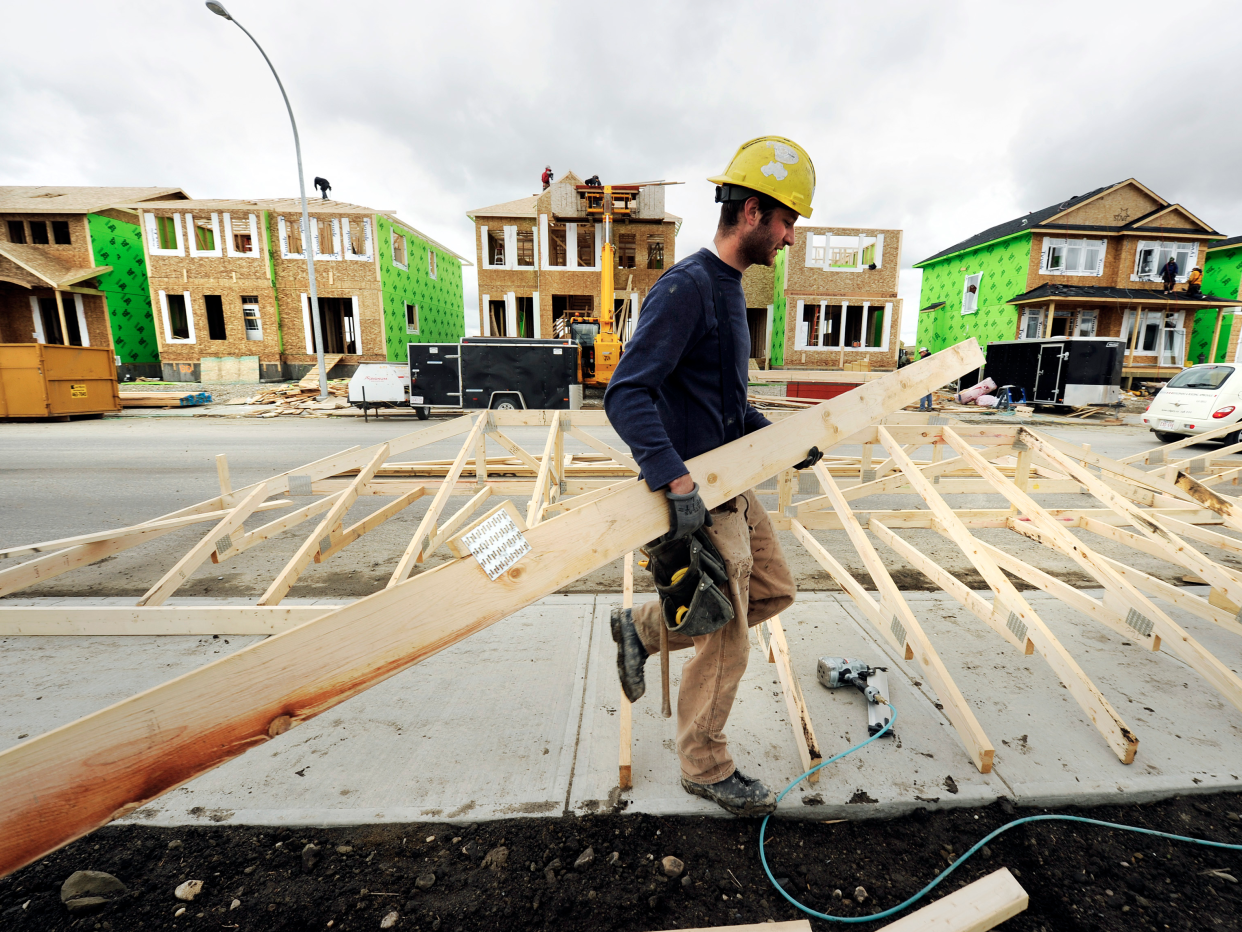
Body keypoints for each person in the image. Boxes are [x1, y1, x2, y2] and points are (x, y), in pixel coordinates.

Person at [604, 136, 819, 816]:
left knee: (773, 591)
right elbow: (627, 393)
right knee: (728, 639)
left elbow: (725, 405)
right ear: (753, 211)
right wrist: (675, 483)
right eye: (787, 221)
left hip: (731, 481)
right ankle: (705, 764)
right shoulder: (687, 288)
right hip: (700, 493)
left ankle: (642, 628)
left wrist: (777, 439)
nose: (790, 237)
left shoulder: (729, 291)